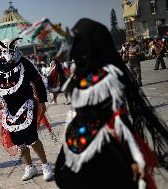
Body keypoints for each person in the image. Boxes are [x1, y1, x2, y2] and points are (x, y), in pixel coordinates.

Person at [54, 18, 168, 189]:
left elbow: (119, 116)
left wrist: (133, 156)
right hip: (77, 140)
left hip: (103, 146)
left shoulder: (108, 77)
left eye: (78, 41)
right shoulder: (79, 73)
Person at [0, 38, 53, 181]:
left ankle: (45, 165)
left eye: (10, 49)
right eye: (4, 50)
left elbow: (38, 81)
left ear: (15, 47)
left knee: (32, 138)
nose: (8, 53)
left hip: (27, 104)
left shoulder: (24, 63)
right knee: (18, 140)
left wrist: (42, 101)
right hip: (10, 109)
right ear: (0, 50)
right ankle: (30, 167)